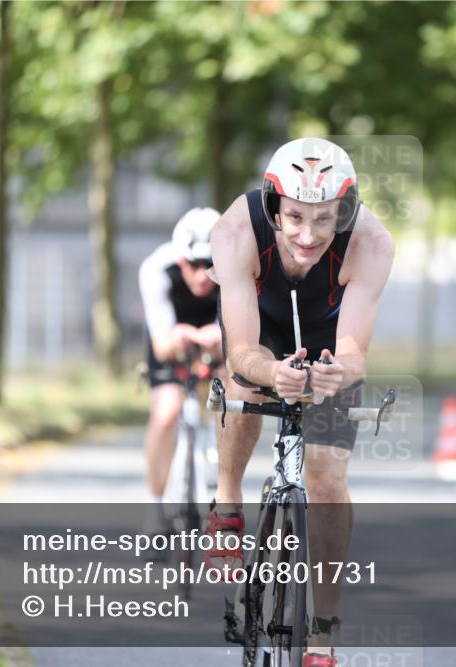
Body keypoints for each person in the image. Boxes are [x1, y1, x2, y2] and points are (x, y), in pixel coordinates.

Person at [208, 137, 394, 667]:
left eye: (323, 219)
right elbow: (242, 351)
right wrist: (271, 373)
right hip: (260, 331)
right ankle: (227, 502)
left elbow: (355, 354)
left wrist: (337, 374)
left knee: (328, 476)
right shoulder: (234, 231)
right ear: (273, 207)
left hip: (329, 341)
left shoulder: (371, 244)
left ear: (345, 211)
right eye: (294, 217)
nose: (308, 236)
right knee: (245, 386)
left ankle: (321, 632)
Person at [137, 207, 223, 537]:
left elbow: (240, 337)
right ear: (180, 259)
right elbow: (163, 346)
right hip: (173, 337)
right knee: (166, 413)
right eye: (194, 264)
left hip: (217, 337)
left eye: (210, 265)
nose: (202, 275)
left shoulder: (238, 268)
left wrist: (217, 338)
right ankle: (155, 508)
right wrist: (185, 337)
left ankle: (221, 474)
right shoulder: (156, 269)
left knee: (232, 392)